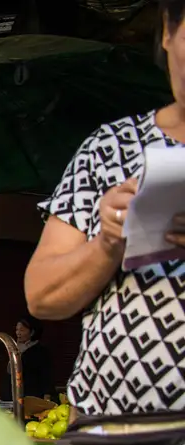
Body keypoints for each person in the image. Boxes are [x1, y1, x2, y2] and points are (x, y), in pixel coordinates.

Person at [25, 0, 185, 416]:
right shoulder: (111, 147)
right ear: (168, 32)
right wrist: (108, 243)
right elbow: (41, 296)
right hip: (111, 435)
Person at [14, 316, 54, 400]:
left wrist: (47, 396)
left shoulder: (41, 351)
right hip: (14, 396)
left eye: (22, 330)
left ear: (32, 332)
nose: (18, 333)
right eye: (17, 330)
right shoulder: (14, 348)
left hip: (33, 397)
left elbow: (46, 375)